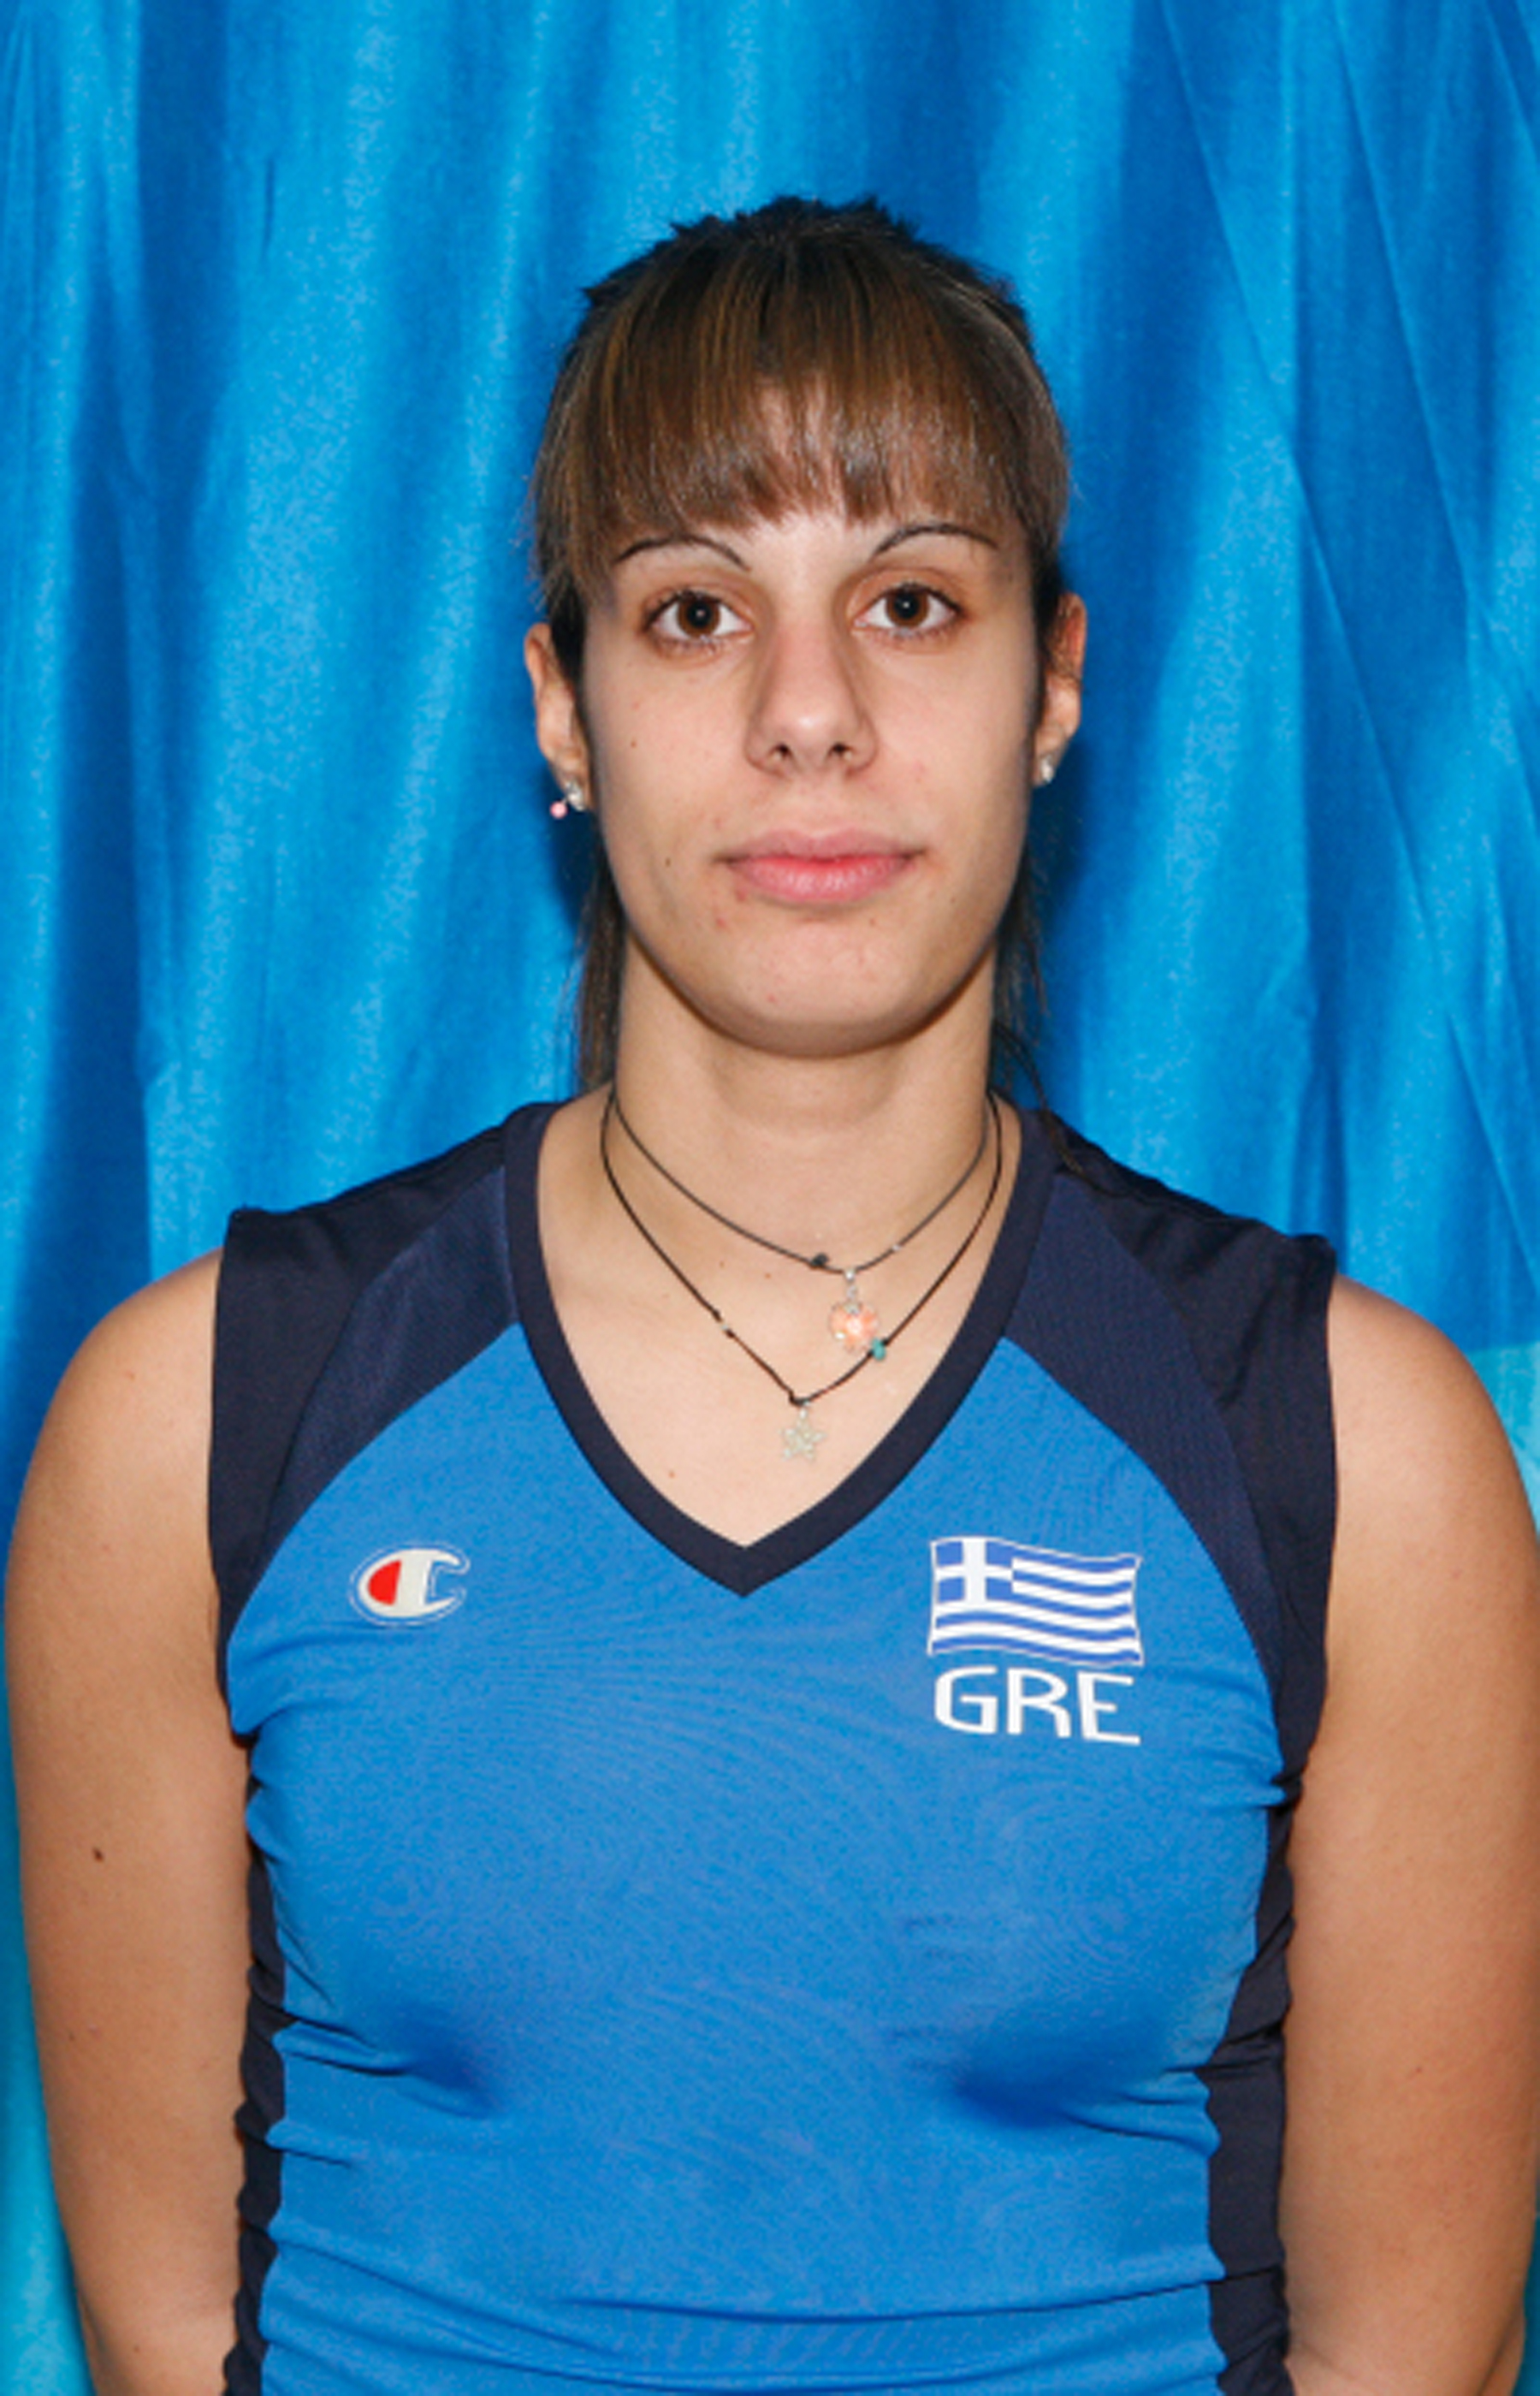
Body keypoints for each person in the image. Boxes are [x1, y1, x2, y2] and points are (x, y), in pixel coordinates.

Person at [8, 196, 1540, 2396]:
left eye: (910, 602)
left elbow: (1415, 2353)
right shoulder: (200, 1422)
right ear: (565, 707)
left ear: (1055, 683)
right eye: (694, 610)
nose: (809, 713)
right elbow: (169, 2335)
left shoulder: (1353, 1455)